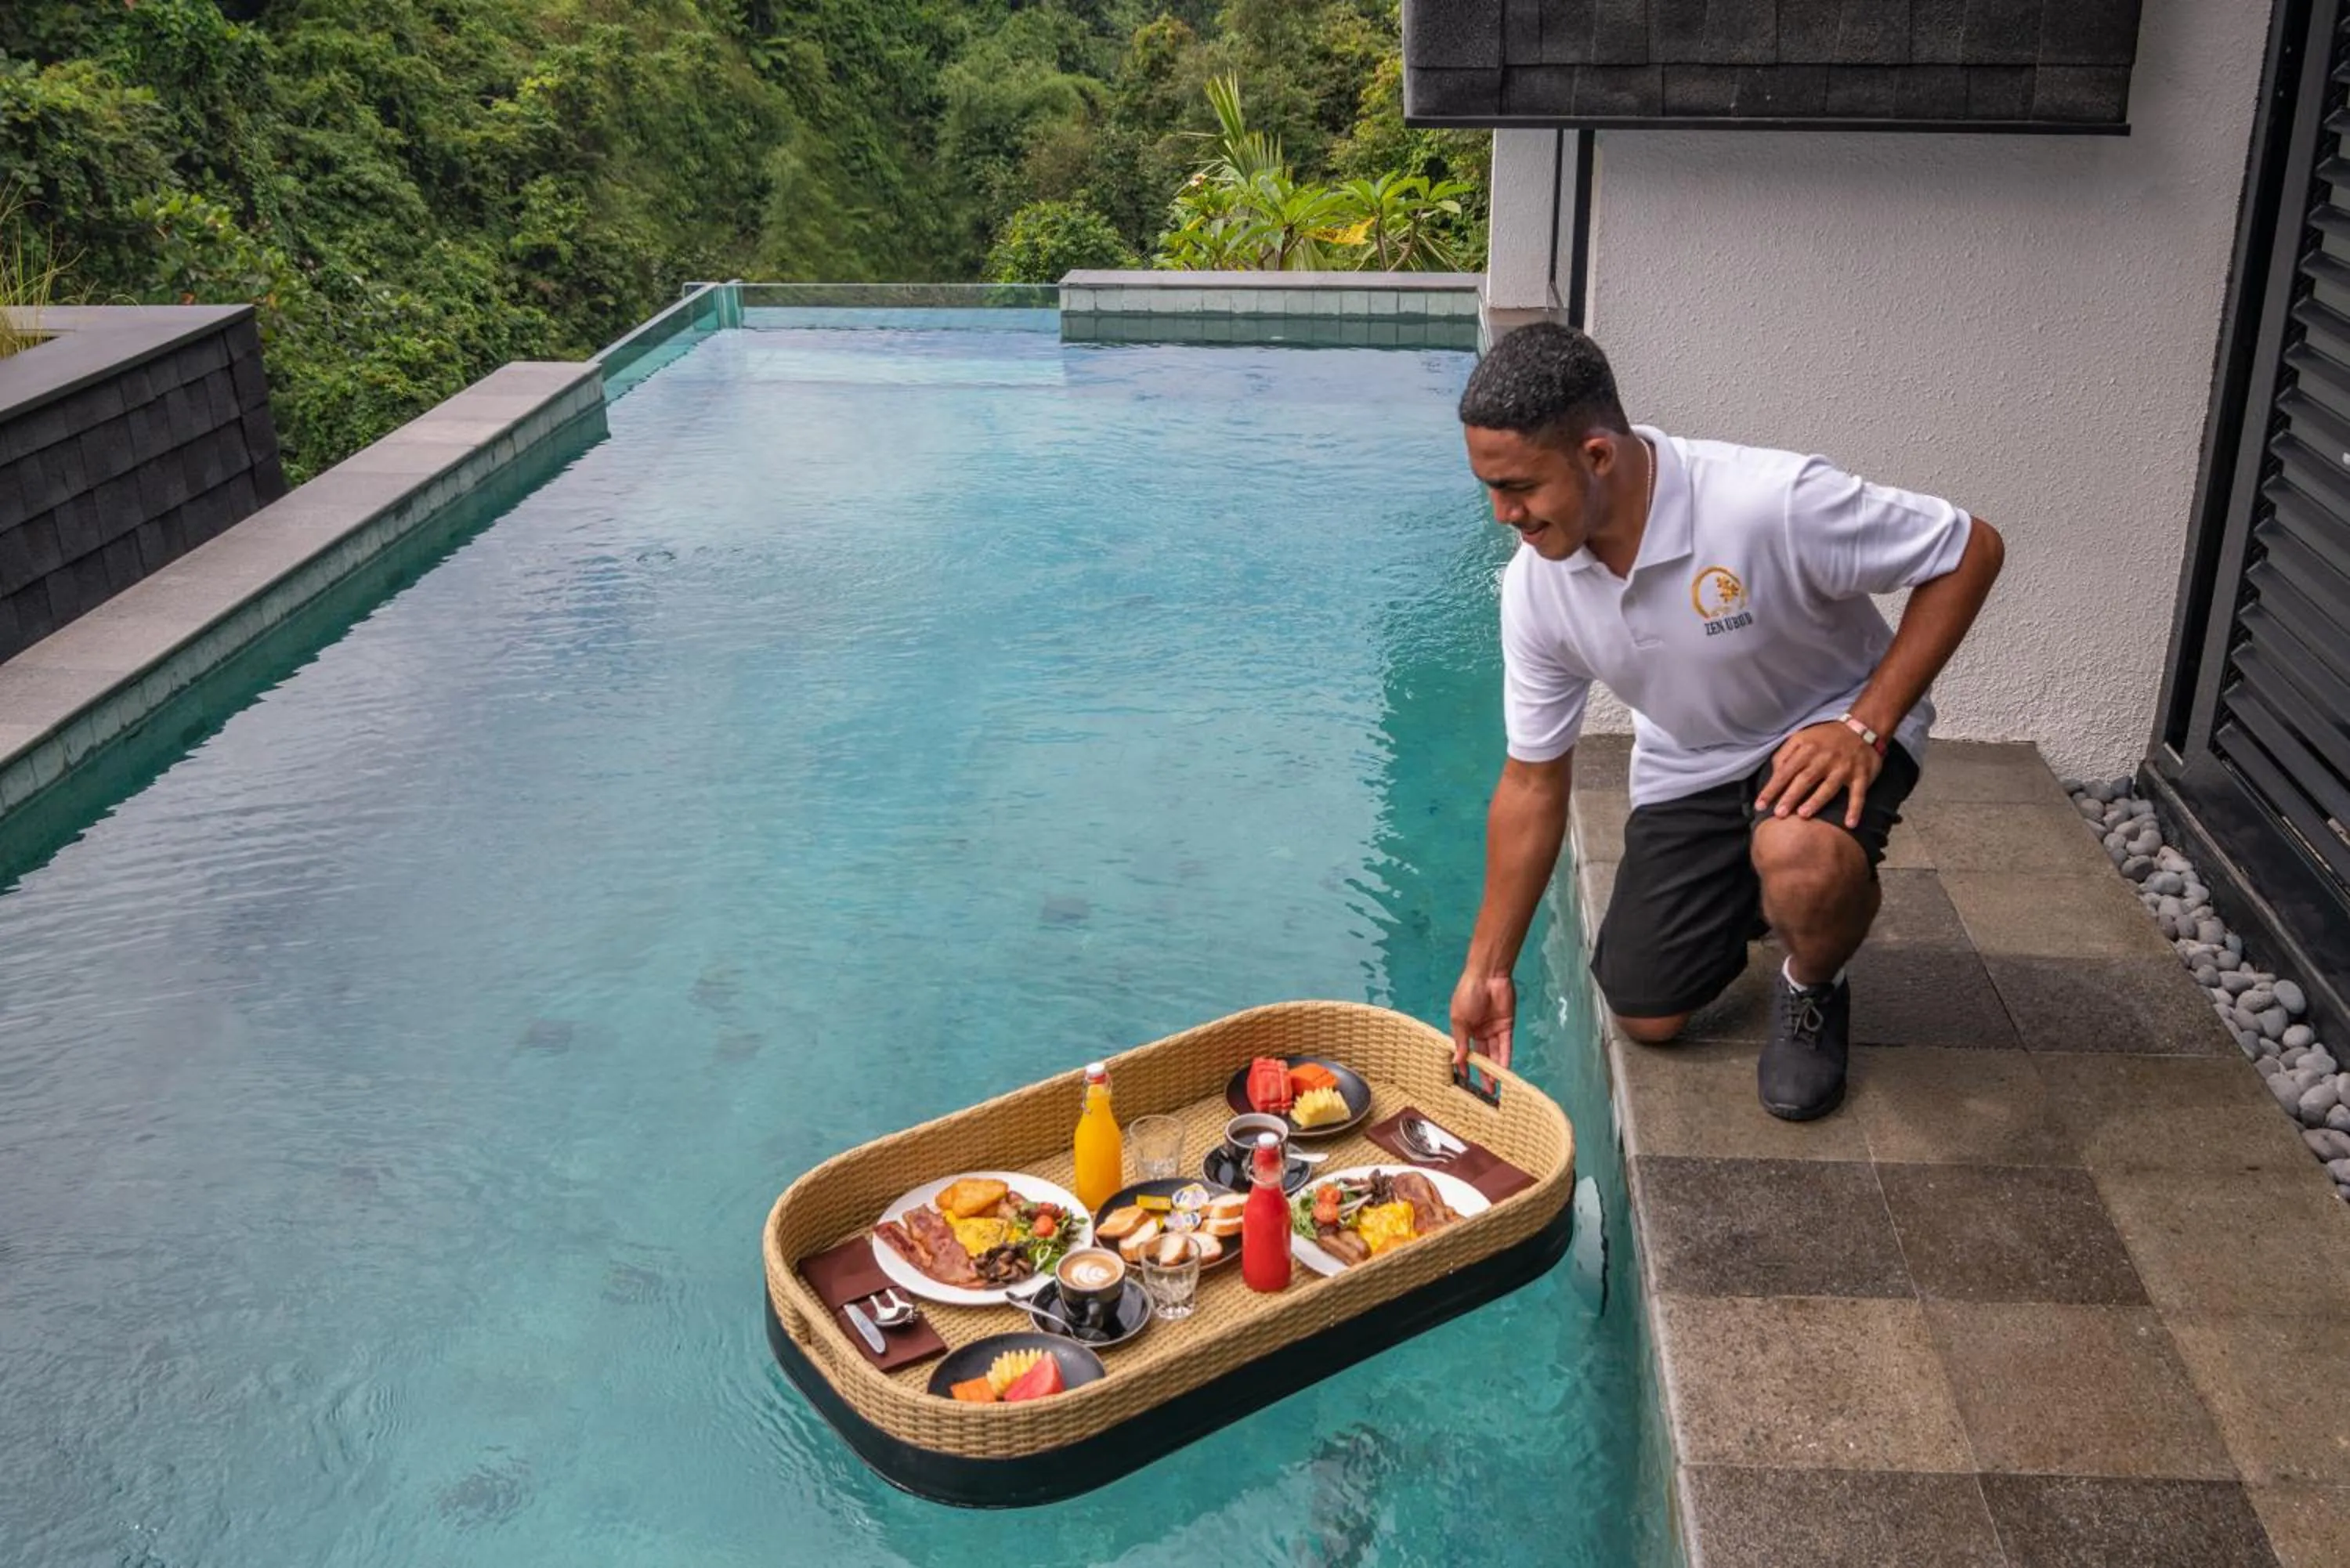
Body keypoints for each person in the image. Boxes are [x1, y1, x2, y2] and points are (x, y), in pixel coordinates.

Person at [1446, 323, 2004, 1120]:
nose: (1505, 513)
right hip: (1694, 762)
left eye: (1520, 487)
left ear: (1598, 455)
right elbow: (1533, 781)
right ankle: (1768, 883)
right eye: (1489, 489)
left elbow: (1969, 548)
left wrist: (1867, 723)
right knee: (1646, 1011)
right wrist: (1488, 968)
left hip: (1833, 726)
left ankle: (1813, 981)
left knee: (1803, 856)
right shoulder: (1538, 589)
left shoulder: (1767, 502)